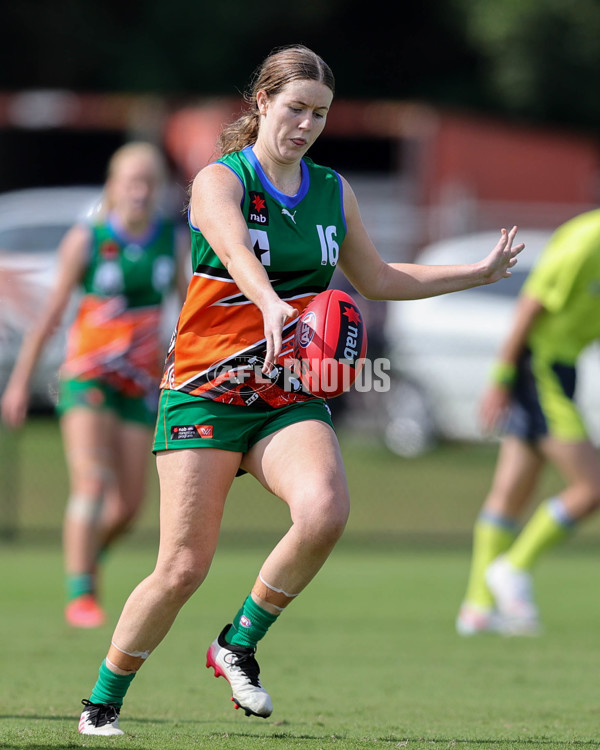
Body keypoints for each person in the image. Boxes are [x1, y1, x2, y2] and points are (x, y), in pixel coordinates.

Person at [75, 44, 523, 736]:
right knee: (182, 568)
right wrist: (270, 302)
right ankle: (102, 701)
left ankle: (237, 644)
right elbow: (232, 248)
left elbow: (377, 280)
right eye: (295, 108)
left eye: (319, 113)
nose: (307, 124)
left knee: (325, 510)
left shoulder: (330, 190)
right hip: (205, 391)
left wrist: (477, 271)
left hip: (285, 393)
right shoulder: (219, 180)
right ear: (261, 103)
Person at [1, 142, 189, 628]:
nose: (140, 191)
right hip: (86, 376)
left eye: (149, 182)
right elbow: (50, 315)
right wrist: (20, 383)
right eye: (131, 181)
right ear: (114, 186)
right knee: (91, 480)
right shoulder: (88, 239)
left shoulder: (171, 239)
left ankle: (87, 558)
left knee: (128, 506)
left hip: (139, 383)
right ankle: (80, 592)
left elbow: (190, 311)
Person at [456, 209, 600, 637]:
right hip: (540, 370)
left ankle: (477, 607)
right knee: (592, 488)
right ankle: (514, 569)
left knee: (511, 491)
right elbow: (529, 305)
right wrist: (501, 378)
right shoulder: (585, 241)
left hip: (561, 370)